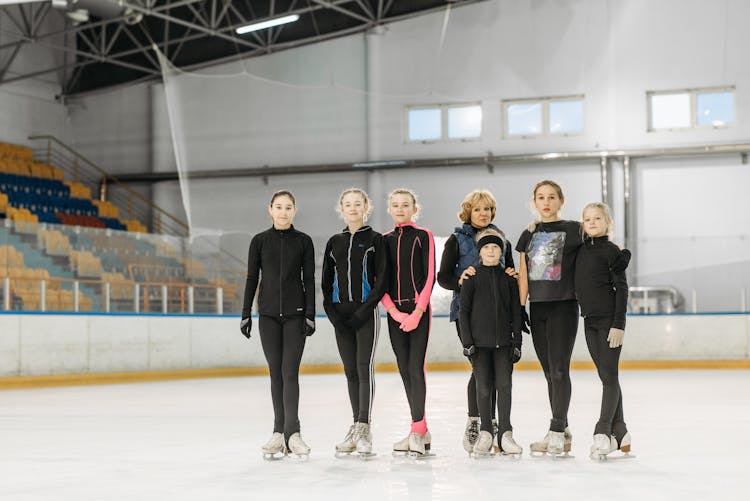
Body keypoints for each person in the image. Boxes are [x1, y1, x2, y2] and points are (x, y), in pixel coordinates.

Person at [437, 189, 517, 453]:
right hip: (468, 312)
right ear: (468, 211)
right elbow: (443, 276)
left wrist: (510, 273)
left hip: (500, 315)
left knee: (499, 372)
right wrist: (460, 280)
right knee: (480, 368)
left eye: (487, 209)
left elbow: (509, 269)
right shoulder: (457, 240)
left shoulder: (500, 239)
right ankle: (478, 420)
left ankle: (495, 424)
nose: (483, 214)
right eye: (478, 209)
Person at [240, 190, 316, 459]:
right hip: (268, 316)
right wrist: (246, 312)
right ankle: (277, 433)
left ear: (294, 210)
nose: (283, 212)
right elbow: (252, 278)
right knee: (275, 373)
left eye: (288, 207)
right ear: (270, 209)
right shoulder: (259, 241)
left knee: (289, 373)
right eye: (279, 207)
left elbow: (309, 279)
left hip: (295, 317)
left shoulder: (304, 242)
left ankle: (293, 434)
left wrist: (310, 313)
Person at [516, 180, 582, 456]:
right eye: (541, 197)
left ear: (561, 201)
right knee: (547, 372)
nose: (546, 202)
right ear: (534, 202)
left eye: (552, 197)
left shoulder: (575, 230)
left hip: (564, 306)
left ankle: (556, 430)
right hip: (538, 307)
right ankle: (561, 429)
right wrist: (520, 308)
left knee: (559, 370)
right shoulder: (528, 234)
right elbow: (523, 273)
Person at [322, 188, 388, 457]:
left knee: (364, 368)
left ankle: (365, 426)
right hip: (341, 316)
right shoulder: (334, 241)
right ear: (341, 208)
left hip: (366, 313)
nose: (352, 208)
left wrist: (363, 311)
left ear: (365, 207)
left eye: (357, 204)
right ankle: (355, 425)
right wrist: (334, 315)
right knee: (350, 371)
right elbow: (325, 283)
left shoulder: (375, 240)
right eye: (347, 204)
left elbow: (382, 279)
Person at [380, 188, 436, 456]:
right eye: (395, 205)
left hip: (418, 313)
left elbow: (429, 276)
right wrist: (394, 312)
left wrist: (417, 311)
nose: (400, 209)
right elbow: (380, 281)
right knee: (404, 370)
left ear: (415, 208)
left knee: (416, 369)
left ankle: (418, 429)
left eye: (405, 205)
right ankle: (419, 431)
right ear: (389, 209)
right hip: (396, 315)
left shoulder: (423, 236)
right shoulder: (384, 240)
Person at [458, 228, 524, 457]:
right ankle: (486, 431)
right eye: (486, 247)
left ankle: (505, 433)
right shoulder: (471, 278)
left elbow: (516, 312)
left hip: (504, 345)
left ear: (501, 251)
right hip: (479, 345)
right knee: (483, 387)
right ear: (479, 252)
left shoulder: (508, 279)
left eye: (495, 247)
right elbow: (463, 312)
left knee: (504, 386)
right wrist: (467, 342)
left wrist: (517, 341)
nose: (491, 251)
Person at [575, 202, 632, 458]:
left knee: (609, 376)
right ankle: (621, 432)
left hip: (610, 322)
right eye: (587, 219)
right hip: (589, 322)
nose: (592, 222)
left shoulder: (612, 251)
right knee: (606, 376)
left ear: (607, 221)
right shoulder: (580, 251)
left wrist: (619, 324)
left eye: (597, 218)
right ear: (583, 224)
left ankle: (603, 431)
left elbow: (622, 289)